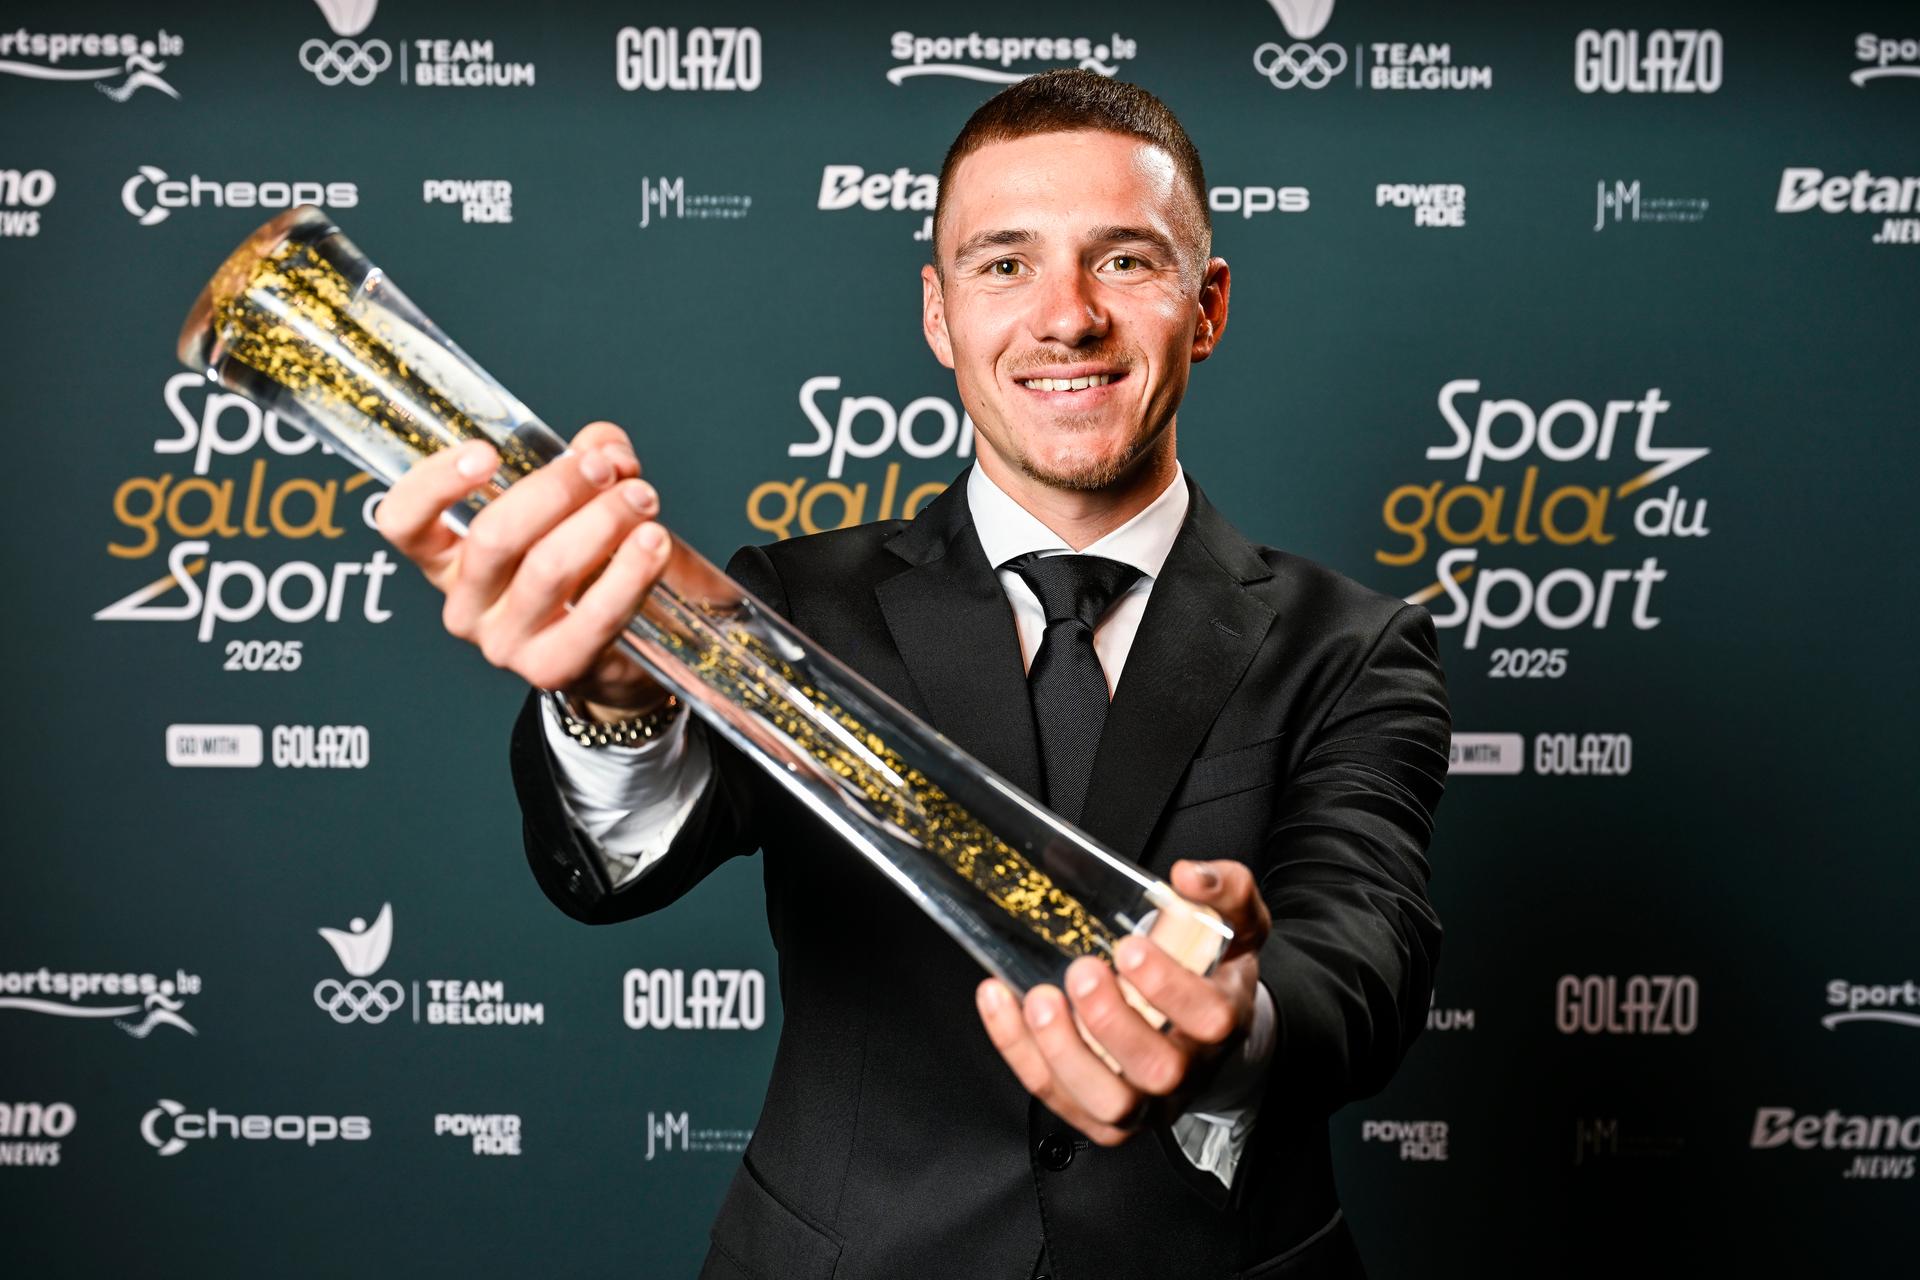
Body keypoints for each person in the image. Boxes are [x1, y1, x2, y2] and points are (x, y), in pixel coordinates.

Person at [376, 71, 1448, 1280]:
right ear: (939, 314)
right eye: (1005, 264)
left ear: (1206, 308)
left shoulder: (1351, 645)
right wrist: (619, 700)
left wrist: (1232, 1028)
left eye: (1124, 261)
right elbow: (625, 868)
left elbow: (1363, 942)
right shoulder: (790, 606)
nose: (1067, 317)